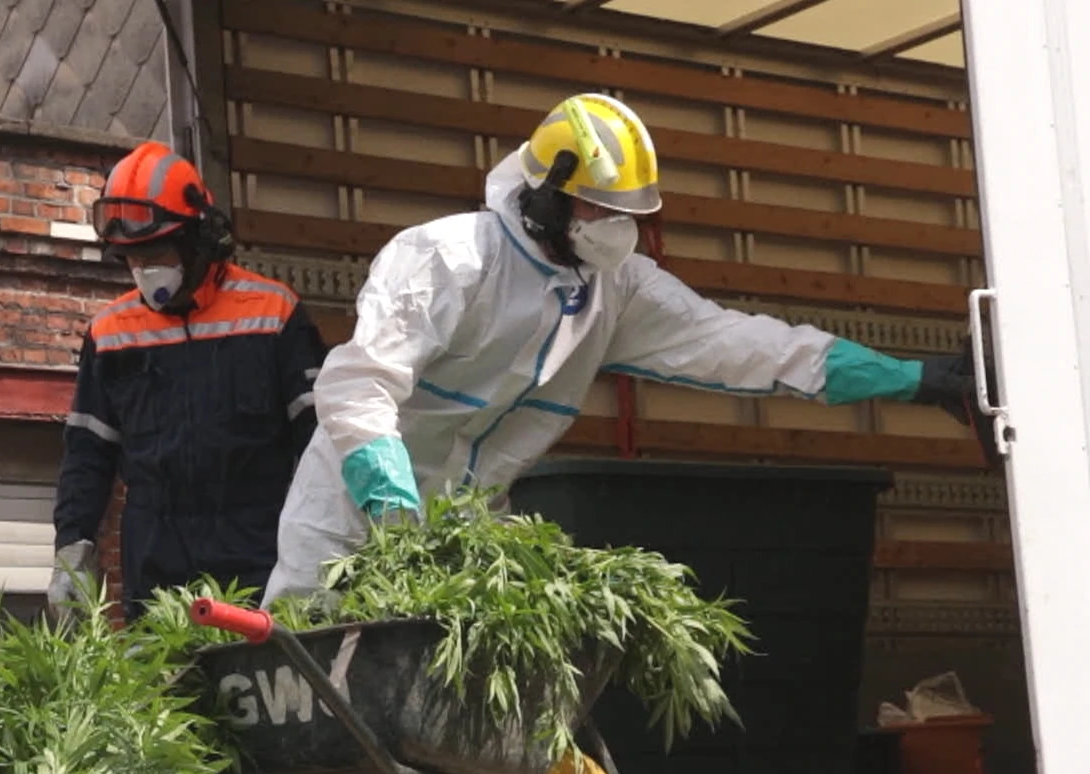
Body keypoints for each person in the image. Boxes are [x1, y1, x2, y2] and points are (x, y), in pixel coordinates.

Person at [263, 93, 984, 603]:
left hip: (465, 539)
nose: (615, 227)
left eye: (627, 213)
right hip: (349, 523)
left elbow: (741, 346)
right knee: (311, 702)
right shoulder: (448, 260)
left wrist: (916, 379)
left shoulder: (617, 289)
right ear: (546, 194)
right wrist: (394, 518)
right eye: (598, 208)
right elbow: (358, 390)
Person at [50, 141, 330, 619]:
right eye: (132, 258)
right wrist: (72, 547)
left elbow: (321, 440)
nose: (145, 268)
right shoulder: (111, 333)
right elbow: (87, 455)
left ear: (200, 239)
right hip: (156, 563)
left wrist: (323, 547)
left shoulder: (272, 312)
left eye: (156, 251)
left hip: (260, 554)